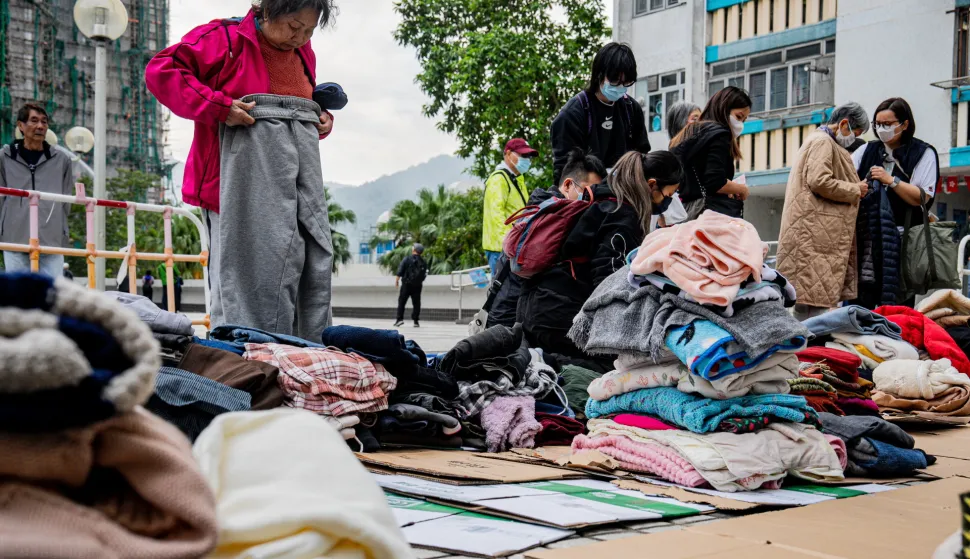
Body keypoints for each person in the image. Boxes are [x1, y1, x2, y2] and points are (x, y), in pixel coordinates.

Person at [146, 0, 337, 340]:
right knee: (239, 279)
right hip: (230, 185)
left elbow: (297, 108)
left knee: (305, 264)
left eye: (309, 31)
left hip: (289, 184)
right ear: (268, 9)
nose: (301, 37)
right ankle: (243, 361)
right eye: (294, 26)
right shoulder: (225, 38)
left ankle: (299, 356)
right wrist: (219, 106)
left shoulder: (304, 54)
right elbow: (162, 71)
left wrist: (321, 119)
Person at [518, 150, 684, 357]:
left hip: (535, 306)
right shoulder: (621, 215)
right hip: (558, 315)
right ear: (651, 185)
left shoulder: (600, 198)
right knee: (601, 373)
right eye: (667, 195)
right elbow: (610, 283)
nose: (667, 203)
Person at [486, 150, 607, 329]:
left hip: (508, 316)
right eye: (588, 193)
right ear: (567, 185)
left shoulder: (540, 209)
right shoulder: (555, 221)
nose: (591, 201)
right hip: (511, 322)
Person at [776, 103, 871, 321]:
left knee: (807, 302)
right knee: (814, 306)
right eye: (855, 133)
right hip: (815, 233)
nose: (854, 139)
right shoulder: (823, 142)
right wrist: (856, 189)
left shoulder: (818, 140)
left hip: (814, 231)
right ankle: (811, 351)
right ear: (844, 123)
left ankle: (805, 350)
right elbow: (819, 181)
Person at [551, 43, 651, 187]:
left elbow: (642, 154)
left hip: (623, 189)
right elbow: (565, 169)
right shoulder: (573, 113)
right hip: (587, 190)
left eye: (626, 83)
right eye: (615, 81)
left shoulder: (631, 109)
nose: (620, 87)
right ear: (599, 75)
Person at [0, 103, 75, 277]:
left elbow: (66, 200)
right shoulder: (5, 157)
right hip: (14, 236)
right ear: (21, 125)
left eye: (44, 122)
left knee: (52, 293)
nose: (40, 126)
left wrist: (59, 227)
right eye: (34, 121)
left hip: (51, 238)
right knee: (19, 295)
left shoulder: (61, 159)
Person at [853, 98, 940, 229]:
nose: (881, 129)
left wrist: (891, 180)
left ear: (904, 124)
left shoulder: (923, 153)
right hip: (868, 233)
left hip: (906, 234)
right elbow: (846, 178)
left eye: (887, 124)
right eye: (878, 124)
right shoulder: (866, 150)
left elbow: (922, 197)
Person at [669, 86, 752, 219]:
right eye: (739, 116)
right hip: (710, 213)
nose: (740, 124)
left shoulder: (690, 133)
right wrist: (741, 189)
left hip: (688, 211)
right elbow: (715, 182)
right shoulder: (720, 135)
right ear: (724, 108)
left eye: (744, 120)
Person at [482, 138, 538, 275]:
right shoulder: (499, 179)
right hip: (501, 249)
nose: (527, 160)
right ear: (508, 154)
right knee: (502, 293)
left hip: (513, 246)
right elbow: (497, 217)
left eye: (528, 156)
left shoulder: (516, 178)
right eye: (523, 155)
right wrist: (510, 246)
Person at [394, 243, 429, 328]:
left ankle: (399, 319)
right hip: (418, 285)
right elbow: (425, 274)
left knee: (402, 302)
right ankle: (416, 321)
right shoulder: (423, 261)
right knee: (416, 303)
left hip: (406, 284)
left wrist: (397, 280)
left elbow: (400, 270)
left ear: (414, 249)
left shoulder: (407, 259)